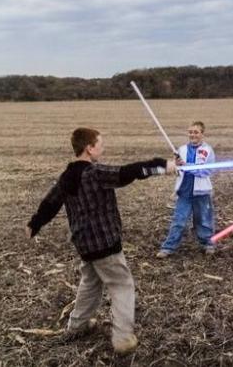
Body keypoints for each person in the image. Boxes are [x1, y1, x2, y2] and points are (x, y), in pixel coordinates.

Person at [25, 127, 176, 354]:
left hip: (84, 245)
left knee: (90, 283)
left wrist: (34, 224)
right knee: (122, 285)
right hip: (105, 245)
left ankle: (77, 325)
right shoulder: (95, 173)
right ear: (89, 148)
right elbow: (129, 172)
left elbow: (50, 203)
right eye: (100, 144)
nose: (102, 148)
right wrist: (163, 166)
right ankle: (123, 338)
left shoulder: (66, 177)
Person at [156, 121, 216, 258]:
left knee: (203, 221)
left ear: (202, 134)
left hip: (202, 193)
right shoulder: (181, 150)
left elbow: (206, 171)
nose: (192, 135)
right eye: (190, 132)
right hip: (184, 192)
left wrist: (187, 165)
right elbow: (177, 171)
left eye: (196, 132)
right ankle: (168, 247)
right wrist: (176, 165)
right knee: (179, 221)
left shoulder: (208, 151)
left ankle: (208, 244)